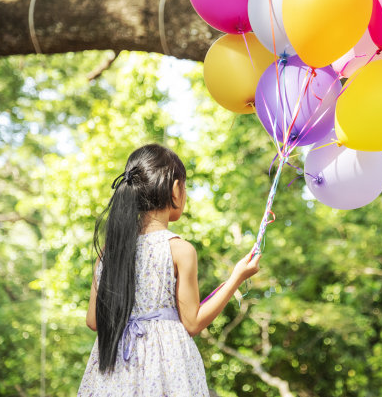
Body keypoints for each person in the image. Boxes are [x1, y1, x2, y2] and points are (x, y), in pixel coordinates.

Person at [78, 143, 261, 396]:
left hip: (115, 371)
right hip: (166, 371)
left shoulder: (109, 251)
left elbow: (93, 321)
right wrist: (237, 277)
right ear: (176, 189)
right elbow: (193, 322)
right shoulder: (179, 249)